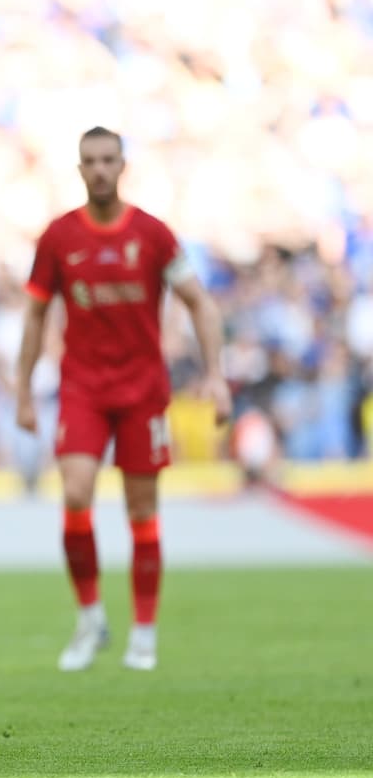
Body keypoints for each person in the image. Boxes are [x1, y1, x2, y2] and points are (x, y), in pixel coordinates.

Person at [14, 126, 230, 672]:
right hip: (83, 388)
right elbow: (36, 314)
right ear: (80, 169)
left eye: (109, 159)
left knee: (142, 511)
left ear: (123, 165)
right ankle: (90, 620)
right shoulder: (59, 238)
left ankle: (145, 631)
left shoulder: (153, 235)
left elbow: (200, 303)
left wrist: (216, 375)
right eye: (91, 160)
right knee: (77, 493)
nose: (101, 169)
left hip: (142, 392)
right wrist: (22, 389)